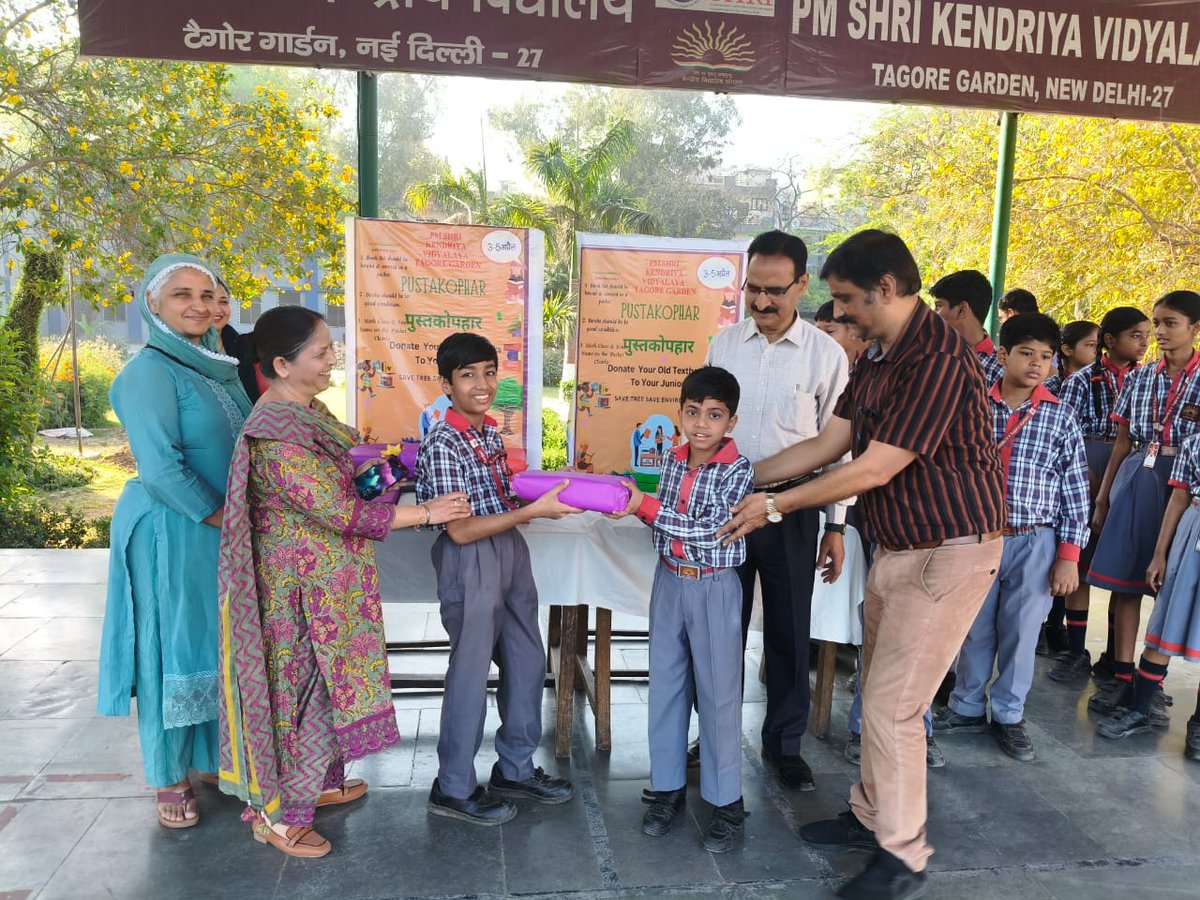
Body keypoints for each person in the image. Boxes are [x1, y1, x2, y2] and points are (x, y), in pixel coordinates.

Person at [720, 229, 1005, 899]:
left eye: (848, 299)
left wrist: (776, 506)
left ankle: (901, 859)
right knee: (877, 693)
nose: (841, 313)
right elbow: (833, 440)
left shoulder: (936, 357)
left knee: (893, 709)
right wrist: (742, 478)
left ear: (888, 288)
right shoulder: (880, 354)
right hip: (901, 549)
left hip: (949, 550)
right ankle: (872, 818)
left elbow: (876, 467)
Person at [216, 306, 470, 858]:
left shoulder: (311, 414)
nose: (334, 360)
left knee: (332, 686)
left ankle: (320, 782)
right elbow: (337, 510)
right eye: (322, 353)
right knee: (308, 693)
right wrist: (426, 512)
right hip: (300, 595)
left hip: (332, 584)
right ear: (282, 364)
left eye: (331, 348)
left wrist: (397, 464)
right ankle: (280, 816)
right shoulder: (275, 436)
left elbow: (356, 477)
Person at [97, 253, 253, 829]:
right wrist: (226, 518)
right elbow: (162, 469)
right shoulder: (147, 373)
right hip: (170, 526)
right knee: (170, 644)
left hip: (217, 527)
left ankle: (210, 757)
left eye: (210, 295)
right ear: (154, 306)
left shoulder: (217, 367)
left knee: (215, 637)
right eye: (183, 295)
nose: (201, 306)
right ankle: (167, 772)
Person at [704, 229, 850, 792]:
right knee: (722, 629)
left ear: (801, 285)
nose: (762, 303)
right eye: (753, 290)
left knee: (790, 630)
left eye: (775, 291)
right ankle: (712, 737)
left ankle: (784, 744)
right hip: (724, 506)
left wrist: (835, 526)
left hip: (796, 507)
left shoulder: (826, 356)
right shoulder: (725, 345)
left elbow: (841, 448)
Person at [415, 332, 578, 826]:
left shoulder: (486, 433)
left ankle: (516, 768)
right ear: (446, 384)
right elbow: (461, 529)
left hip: (509, 552)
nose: (482, 385)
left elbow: (506, 492)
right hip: (472, 558)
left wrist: (567, 484)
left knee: (527, 660)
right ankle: (454, 785)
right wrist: (534, 510)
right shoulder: (444, 441)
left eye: (488, 372)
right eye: (467, 376)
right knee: (470, 672)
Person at [932, 314, 1089, 762]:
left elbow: (1075, 490)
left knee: (1022, 632)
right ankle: (965, 706)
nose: (1037, 364)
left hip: (1035, 539)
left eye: (1047, 357)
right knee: (973, 627)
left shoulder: (1061, 418)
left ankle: (1008, 715)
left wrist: (1068, 555)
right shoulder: (972, 406)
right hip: (976, 536)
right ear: (1002, 356)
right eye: (1026, 353)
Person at [611, 366, 754, 852]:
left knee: (718, 696)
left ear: (731, 422)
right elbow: (665, 525)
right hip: (669, 583)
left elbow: (710, 529)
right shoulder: (671, 460)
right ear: (680, 414)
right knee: (666, 688)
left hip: (713, 587)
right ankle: (668, 788)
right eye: (692, 413)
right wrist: (633, 503)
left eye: (714, 415)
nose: (701, 425)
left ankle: (727, 802)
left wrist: (645, 508)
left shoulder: (739, 470)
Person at [1087, 291, 1200, 716]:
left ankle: (1154, 680)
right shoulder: (1140, 377)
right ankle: (1121, 673)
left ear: (1194, 328)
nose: (1160, 332)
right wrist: (1103, 498)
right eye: (1157, 323)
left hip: (1184, 488)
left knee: (1168, 580)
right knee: (1126, 581)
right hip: (1138, 475)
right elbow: (1120, 441)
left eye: (1171, 323)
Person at [1050, 308, 1150, 683]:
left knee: (1119, 566)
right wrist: (1086, 478)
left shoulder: (1145, 378)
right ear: (1111, 341)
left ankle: (1114, 654)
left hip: (1125, 465)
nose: (1143, 342)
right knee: (1082, 563)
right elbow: (1069, 430)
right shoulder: (1083, 380)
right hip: (1089, 460)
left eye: (1146, 334)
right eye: (1135, 335)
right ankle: (1075, 650)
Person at [1096, 429, 1200, 760]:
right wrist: (1159, 554)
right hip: (1193, 530)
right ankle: (1139, 710)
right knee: (1166, 621)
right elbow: (1180, 497)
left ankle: (1198, 723)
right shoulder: (1195, 442)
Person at [930, 269, 1004, 385]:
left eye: (939, 306)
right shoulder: (930, 356)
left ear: (961, 310)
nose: (933, 314)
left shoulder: (999, 372)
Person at [210, 276, 263, 403]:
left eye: (223, 302)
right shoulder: (181, 352)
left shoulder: (246, 346)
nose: (217, 310)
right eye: (208, 301)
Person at [1042, 320, 1099, 396]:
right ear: (1067, 350)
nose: (1097, 350)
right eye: (1090, 345)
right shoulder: (1050, 388)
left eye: (1099, 345)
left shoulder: (1103, 382)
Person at [815, 299, 871, 367]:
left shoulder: (872, 368)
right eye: (818, 332)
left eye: (830, 331)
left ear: (854, 331)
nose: (821, 337)